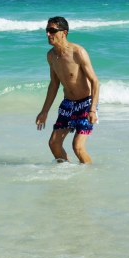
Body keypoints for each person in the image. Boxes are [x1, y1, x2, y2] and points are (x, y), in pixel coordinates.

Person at [35, 16, 99, 164]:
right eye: (47, 30)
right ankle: (66, 175)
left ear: (64, 32)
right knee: (54, 143)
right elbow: (54, 84)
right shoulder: (51, 56)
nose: (48, 34)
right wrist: (44, 111)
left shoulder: (78, 52)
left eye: (52, 30)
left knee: (77, 147)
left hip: (86, 103)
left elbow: (95, 82)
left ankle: (89, 176)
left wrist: (92, 109)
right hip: (68, 104)